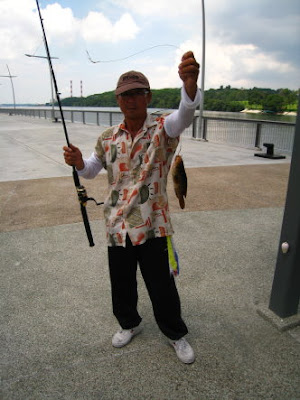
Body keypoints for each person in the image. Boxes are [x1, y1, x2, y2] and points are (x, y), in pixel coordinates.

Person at [63, 51, 201, 364]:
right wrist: (79, 162)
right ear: (118, 100)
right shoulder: (107, 137)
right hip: (117, 224)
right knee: (121, 282)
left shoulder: (165, 129)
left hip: (153, 223)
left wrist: (190, 86)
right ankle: (129, 324)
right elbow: (91, 170)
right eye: (125, 95)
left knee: (161, 285)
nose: (131, 99)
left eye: (138, 93)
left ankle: (175, 333)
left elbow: (186, 115)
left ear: (148, 96)